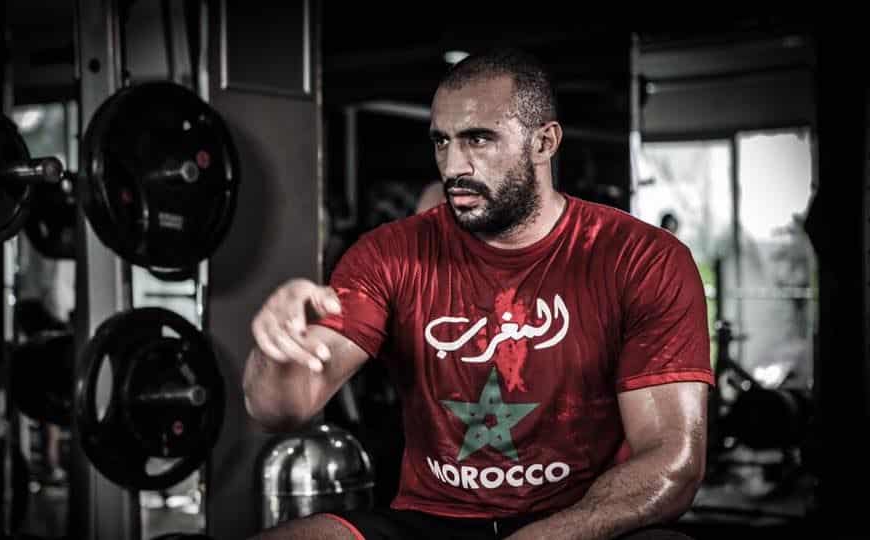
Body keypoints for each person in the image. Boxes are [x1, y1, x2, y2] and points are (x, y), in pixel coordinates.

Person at [243, 47, 713, 540]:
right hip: (431, 523)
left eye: (478, 139)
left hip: (578, 521)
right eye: (441, 141)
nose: (453, 166)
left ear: (544, 142)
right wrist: (279, 348)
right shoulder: (389, 254)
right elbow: (278, 409)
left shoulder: (641, 259)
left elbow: (672, 461)